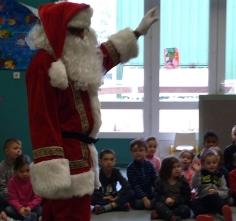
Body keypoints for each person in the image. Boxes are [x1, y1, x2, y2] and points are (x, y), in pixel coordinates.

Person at [24, 2, 158, 220]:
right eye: (78, 31)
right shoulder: (44, 65)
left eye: (86, 30)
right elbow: (42, 120)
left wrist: (137, 32)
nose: (85, 36)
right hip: (65, 163)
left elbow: (102, 57)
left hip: (82, 156)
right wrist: (53, 171)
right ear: (59, 31)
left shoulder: (75, 59)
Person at [190, 149, 232, 221]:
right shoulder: (200, 173)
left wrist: (217, 192)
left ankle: (224, 212)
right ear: (203, 164)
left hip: (215, 202)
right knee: (193, 203)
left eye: (214, 162)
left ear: (217, 162)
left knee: (214, 197)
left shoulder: (220, 176)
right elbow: (195, 185)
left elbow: (225, 192)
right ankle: (204, 215)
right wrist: (197, 173)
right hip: (202, 200)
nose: (212, 165)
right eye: (208, 163)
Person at [92, 149, 135, 214]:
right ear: (100, 161)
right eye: (106, 159)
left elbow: (126, 185)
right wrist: (103, 196)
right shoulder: (98, 173)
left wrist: (118, 196)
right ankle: (120, 206)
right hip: (103, 197)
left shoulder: (116, 171)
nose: (109, 162)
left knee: (131, 192)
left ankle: (105, 207)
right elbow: (94, 188)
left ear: (115, 161)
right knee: (90, 197)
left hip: (114, 196)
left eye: (111, 159)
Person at [151, 156, 191, 221]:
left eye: (178, 166)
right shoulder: (160, 181)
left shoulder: (183, 181)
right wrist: (165, 199)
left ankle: (161, 214)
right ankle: (172, 218)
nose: (177, 169)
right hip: (164, 203)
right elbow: (156, 194)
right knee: (158, 205)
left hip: (178, 204)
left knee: (186, 210)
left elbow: (187, 196)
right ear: (166, 169)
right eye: (173, 167)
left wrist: (176, 201)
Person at [5, 155, 42, 221]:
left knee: (41, 210)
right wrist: (20, 208)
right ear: (16, 171)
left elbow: (38, 197)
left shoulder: (34, 179)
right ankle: (29, 217)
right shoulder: (12, 182)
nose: (25, 174)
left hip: (32, 207)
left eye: (28, 171)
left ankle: (28, 216)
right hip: (19, 209)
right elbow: (13, 199)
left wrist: (29, 207)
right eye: (21, 171)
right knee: (8, 209)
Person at [127, 139, 158, 210]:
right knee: (138, 204)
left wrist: (158, 191)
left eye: (141, 150)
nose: (138, 153)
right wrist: (144, 199)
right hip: (137, 194)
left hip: (149, 192)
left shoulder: (150, 165)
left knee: (161, 197)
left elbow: (155, 180)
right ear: (131, 152)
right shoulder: (130, 168)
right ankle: (150, 204)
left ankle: (151, 203)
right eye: (135, 151)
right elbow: (135, 185)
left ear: (146, 152)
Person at [0, 139, 22, 203]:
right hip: (10, 198)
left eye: (20, 149)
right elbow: (3, 188)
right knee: (9, 210)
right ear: (7, 151)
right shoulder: (1, 167)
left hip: (24, 197)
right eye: (15, 148)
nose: (19, 151)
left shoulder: (23, 165)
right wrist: (16, 198)